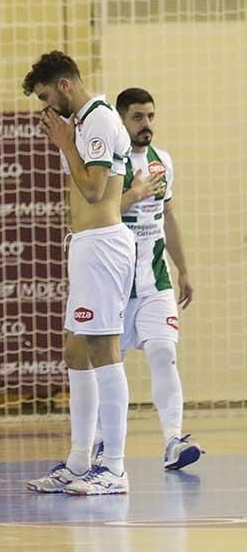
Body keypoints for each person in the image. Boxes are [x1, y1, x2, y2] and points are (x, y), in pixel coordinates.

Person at [23, 51, 135, 496]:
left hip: (105, 244)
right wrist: (69, 140)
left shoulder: (100, 120)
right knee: (74, 348)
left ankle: (116, 468)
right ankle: (79, 460)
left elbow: (92, 191)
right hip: (87, 246)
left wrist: (65, 143)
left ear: (65, 85)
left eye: (47, 96)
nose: (46, 108)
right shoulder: (84, 123)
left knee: (105, 348)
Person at [97, 87, 201, 469]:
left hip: (155, 280)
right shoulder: (108, 164)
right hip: (115, 283)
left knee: (164, 352)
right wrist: (134, 193)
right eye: (138, 117)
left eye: (151, 116)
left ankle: (174, 439)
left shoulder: (162, 162)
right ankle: (100, 444)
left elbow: (167, 216)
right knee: (108, 365)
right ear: (122, 120)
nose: (146, 125)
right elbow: (96, 212)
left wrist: (183, 268)